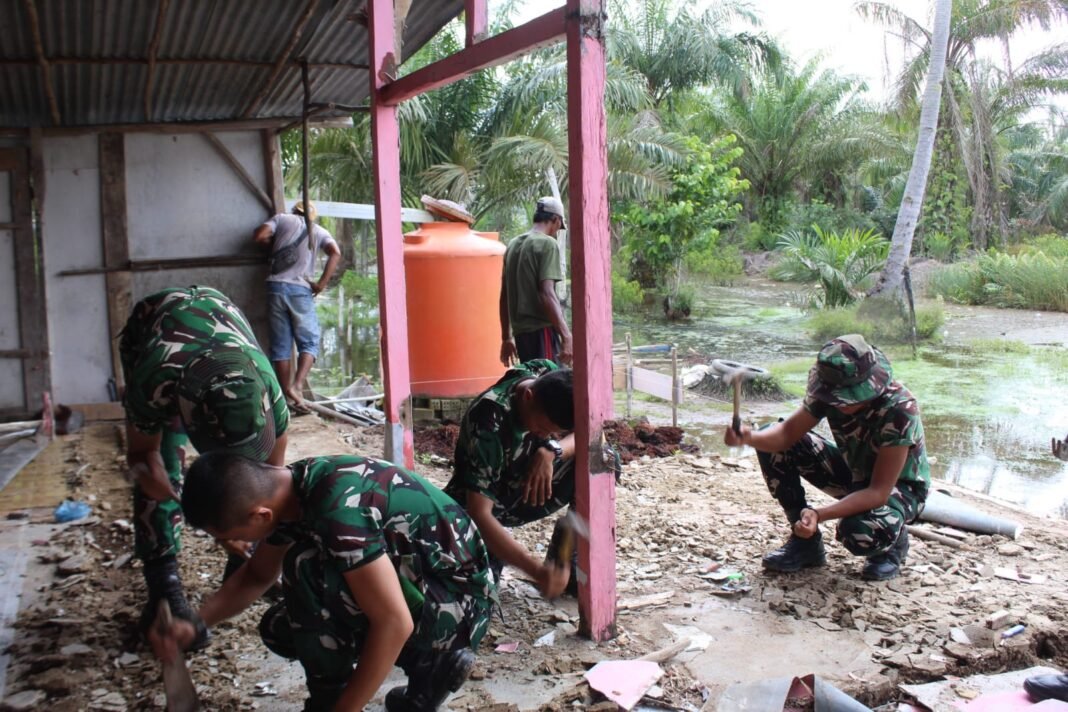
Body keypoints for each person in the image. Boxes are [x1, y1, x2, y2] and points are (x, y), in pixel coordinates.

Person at [153, 452, 496, 712]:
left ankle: (428, 661)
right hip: (425, 585)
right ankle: (422, 665)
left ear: (260, 516)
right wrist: (195, 624)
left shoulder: (336, 510)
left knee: (306, 568)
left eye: (230, 536)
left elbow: (393, 622)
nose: (232, 544)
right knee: (282, 626)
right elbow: (257, 575)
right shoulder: (291, 488)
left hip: (459, 603)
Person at [119, 286, 289, 640]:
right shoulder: (154, 380)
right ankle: (163, 584)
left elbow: (274, 483)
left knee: (254, 484)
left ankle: (241, 564)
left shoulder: (268, 386)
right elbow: (139, 455)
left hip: (223, 323)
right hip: (153, 332)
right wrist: (159, 485)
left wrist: (246, 543)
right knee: (161, 468)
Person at [725, 334, 930, 581]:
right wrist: (748, 438)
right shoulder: (827, 391)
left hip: (898, 490)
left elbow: (878, 492)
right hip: (854, 472)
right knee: (769, 437)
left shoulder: (899, 409)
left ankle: (891, 545)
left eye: (846, 398)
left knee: (857, 532)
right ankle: (805, 543)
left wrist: (819, 514)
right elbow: (786, 435)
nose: (839, 404)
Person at [445, 360, 581, 599]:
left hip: (527, 482)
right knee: (479, 595)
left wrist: (551, 450)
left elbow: (591, 433)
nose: (545, 435)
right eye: (541, 428)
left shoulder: (546, 374)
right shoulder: (487, 422)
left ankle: (567, 564)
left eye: (553, 432)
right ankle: (545, 574)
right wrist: (535, 570)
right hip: (476, 507)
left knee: (605, 458)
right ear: (527, 396)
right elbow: (480, 512)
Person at [253, 200, 341, 414]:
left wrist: (274, 247)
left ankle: (286, 397)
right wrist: (320, 284)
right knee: (309, 342)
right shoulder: (318, 231)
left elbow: (259, 236)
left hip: (275, 287)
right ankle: (297, 385)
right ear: (312, 216)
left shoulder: (281, 219)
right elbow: (335, 252)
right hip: (300, 290)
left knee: (281, 346)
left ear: (295, 210)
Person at [499, 197, 573, 367]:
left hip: (522, 335)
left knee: (533, 384)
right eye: (558, 228)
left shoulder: (512, 245)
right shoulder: (547, 244)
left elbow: (504, 297)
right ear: (555, 219)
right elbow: (547, 293)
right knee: (548, 386)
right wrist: (566, 336)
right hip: (542, 331)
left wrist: (506, 337)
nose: (555, 232)